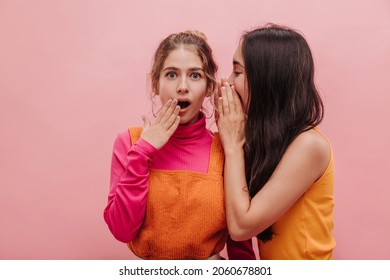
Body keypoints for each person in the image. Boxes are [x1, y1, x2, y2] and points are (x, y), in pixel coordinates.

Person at [103, 30, 255, 260]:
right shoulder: (130, 142)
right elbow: (121, 230)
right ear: (155, 83)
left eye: (195, 76)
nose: (183, 86)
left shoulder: (227, 149)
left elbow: (240, 239)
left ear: (210, 87)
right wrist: (143, 152)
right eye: (172, 74)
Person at [216, 23, 335, 259]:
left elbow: (241, 227)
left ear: (267, 80)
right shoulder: (268, 141)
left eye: (237, 73)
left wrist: (232, 145)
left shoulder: (309, 145)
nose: (227, 83)